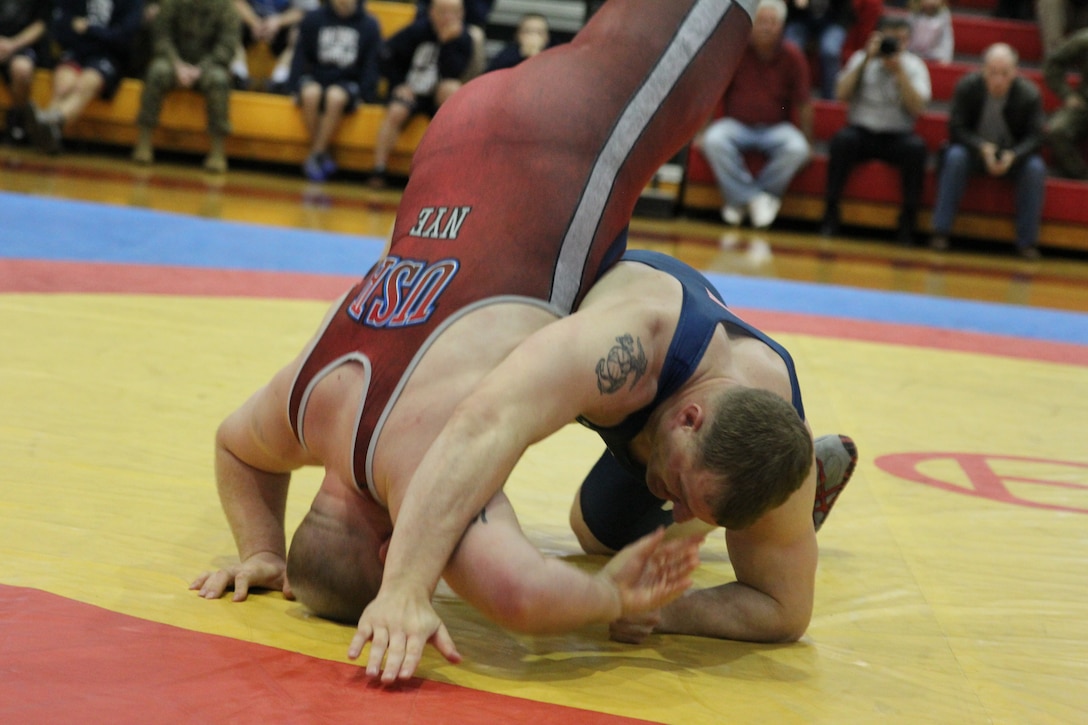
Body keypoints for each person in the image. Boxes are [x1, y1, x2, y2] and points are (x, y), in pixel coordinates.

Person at [190, 0, 855, 685]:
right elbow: (236, 446)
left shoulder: (432, 461)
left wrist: (413, 587)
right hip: (456, 137)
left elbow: (519, 583)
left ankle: (793, 491)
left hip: (562, 135)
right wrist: (262, 548)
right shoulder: (308, 398)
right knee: (597, 532)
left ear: (393, 543)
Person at [695, 0, 812, 229]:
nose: (766, 27)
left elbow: (804, 103)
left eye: (772, 22)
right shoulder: (735, 51)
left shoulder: (793, 56)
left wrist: (809, 139)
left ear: (782, 26)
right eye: (761, 21)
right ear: (751, 24)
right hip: (736, 125)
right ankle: (756, 201)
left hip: (776, 129)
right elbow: (714, 93)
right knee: (713, 140)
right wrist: (702, 129)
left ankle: (744, 199)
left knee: (797, 148)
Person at [820, 15, 931, 246]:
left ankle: (908, 222)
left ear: (908, 41)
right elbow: (840, 94)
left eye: (901, 40)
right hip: (862, 133)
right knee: (842, 141)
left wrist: (899, 73)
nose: (895, 45)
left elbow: (918, 107)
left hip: (897, 137)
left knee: (916, 149)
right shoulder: (862, 59)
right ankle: (830, 213)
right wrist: (864, 62)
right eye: (891, 39)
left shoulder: (914, 66)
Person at [928, 43, 1046, 259]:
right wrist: (981, 148)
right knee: (955, 157)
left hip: (1012, 156)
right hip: (974, 152)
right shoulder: (967, 86)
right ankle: (941, 231)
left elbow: (1036, 137)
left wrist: (1015, 155)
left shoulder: (1029, 94)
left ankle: (1026, 242)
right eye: (993, 73)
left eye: (1005, 73)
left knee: (1035, 169)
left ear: (1015, 72)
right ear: (983, 70)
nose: (998, 80)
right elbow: (956, 128)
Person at [366, 0, 472, 188]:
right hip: (412, 90)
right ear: (431, 12)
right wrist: (399, 84)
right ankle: (378, 169)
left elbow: (453, 72)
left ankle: (448, 169)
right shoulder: (416, 31)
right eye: (443, 12)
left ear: (462, 14)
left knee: (452, 90)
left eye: (454, 12)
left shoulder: (464, 38)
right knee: (397, 110)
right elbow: (385, 55)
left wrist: (446, 43)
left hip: (437, 94)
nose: (448, 18)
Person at [131, 0, 238, 173]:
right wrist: (177, 64)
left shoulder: (226, 7)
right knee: (156, 72)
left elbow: (227, 47)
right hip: (173, 62)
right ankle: (144, 142)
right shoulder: (171, 3)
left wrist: (200, 69)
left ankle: (217, 151)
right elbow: (161, 37)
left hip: (209, 66)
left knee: (219, 80)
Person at [31, 0, 145, 154]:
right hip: (78, 51)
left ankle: (49, 121)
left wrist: (89, 29)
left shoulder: (132, 3)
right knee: (64, 83)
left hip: (110, 57)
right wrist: (97, 34)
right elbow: (61, 27)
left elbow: (124, 38)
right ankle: (50, 133)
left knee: (86, 83)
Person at [287, 0, 381, 181]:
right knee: (310, 93)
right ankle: (321, 154)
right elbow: (300, 54)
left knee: (335, 96)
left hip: (348, 81)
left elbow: (371, 64)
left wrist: (366, 94)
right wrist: (292, 86)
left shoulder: (369, 24)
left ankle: (315, 154)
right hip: (317, 75)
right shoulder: (314, 18)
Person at [230, 0, 318, 91]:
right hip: (249, 22)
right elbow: (235, 2)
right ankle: (239, 75)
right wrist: (254, 22)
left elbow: (306, 10)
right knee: (228, 23)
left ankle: (279, 80)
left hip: (283, 26)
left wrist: (277, 22)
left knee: (299, 32)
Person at [0, 0, 49, 145]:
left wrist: (12, 44)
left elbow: (41, 24)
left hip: (21, 45)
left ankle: (18, 119)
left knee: (22, 69)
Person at [783, 0, 853, 99]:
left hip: (833, 20)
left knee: (830, 51)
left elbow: (845, 10)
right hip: (799, 19)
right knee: (791, 49)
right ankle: (787, 98)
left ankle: (830, 101)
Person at [1043, 27, 1088, 180]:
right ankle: (1082, 177)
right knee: (1057, 130)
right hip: (1084, 106)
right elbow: (1054, 62)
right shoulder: (1084, 39)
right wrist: (1066, 94)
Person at [484, 12, 549, 73]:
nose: (533, 37)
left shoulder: (551, 54)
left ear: (546, 37)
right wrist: (522, 55)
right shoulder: (509, 53)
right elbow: (492, 72)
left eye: (539, 32)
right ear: (518, 35)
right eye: (528, 32)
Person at [906, 0, 953, 64]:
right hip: (913, 53)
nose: (930, 2)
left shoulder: (944, 15)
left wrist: (946, 59)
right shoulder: (913, 15)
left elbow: (946, 39)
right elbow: (907, 36)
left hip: (935, 55)